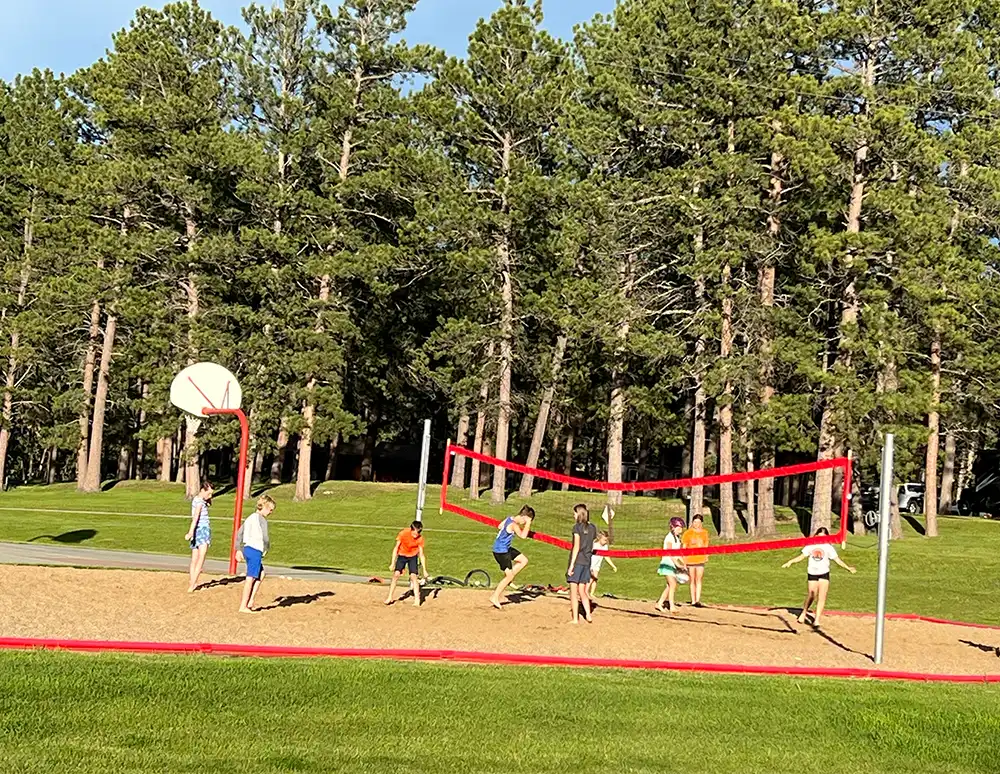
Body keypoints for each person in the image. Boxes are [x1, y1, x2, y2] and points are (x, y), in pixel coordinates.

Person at [781, 527, 856, 627]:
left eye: (823, 537)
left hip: (824, 573)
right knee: (812, 594)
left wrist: (848, 568)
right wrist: (790, 562)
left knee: (822, 596)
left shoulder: (828, 547)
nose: (821, 539)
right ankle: (804, 612)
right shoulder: (811, 545)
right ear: (816, 536)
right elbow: (801, 556)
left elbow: (837, 560)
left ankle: (817, 620)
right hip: (812, 573)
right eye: (819, 536)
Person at [489, 505, 535, 610]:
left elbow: (500, 526)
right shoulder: (514, 525)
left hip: (505, 548)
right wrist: (528, 523)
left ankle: (509, 579)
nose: (524, 524)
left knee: (523, 560)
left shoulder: (509, 518)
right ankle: (494, 596)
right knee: (509, 576)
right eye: (526, 521)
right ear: (524, 517)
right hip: (501, 552)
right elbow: (523, 536)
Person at [235, 495, 275, 613]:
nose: (271, 512)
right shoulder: (261, 520)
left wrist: (238, 549)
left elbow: (239, 533)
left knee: (261, 574)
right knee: (250, 577)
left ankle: (250, 600)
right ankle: (243, 606)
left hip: (247, 548)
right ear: (265, 507)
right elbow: (265, 536)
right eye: (270, 510)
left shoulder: (249, 518)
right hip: (255, 549)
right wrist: (266, 547)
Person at [385, 520, 429, 607]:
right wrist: (392, 563)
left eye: (417, 534)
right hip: (402, 556)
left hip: (412, 557)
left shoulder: (420, 539)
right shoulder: (403, 534)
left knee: (413, 577)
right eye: (414, 533)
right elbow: (396, 548)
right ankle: (390, 597)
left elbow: (421, 554)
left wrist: (424, 570)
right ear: (411, 529)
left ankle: (417, 600)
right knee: (396, 575)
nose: (415, 536)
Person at [567, 504, 598, 624]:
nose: (573, 515)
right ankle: (588, 615)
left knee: (573, 593)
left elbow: (576, 547)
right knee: (583, 591)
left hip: (578, 561)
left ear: (579, 514)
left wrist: (571, 566)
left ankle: (575, 619)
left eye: (574, 513)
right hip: (587, 561)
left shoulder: (577, 528)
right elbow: (591, 541)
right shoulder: (593, 528)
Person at [184, 481, 214, 592]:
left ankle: (193, 581)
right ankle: (192, 585)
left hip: (197, 531)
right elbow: (195, 518)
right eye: (209, 493)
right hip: (202, 531)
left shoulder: (197, 500)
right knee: (200, 559)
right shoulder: (200, 503)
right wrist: (191, 532)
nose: (210, 496)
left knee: (194, 559)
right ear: (202, 490)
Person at [655, 517, 687, 613]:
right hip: (667, 563)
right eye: (678, 528)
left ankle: (659, 603)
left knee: (669, 586)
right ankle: (672, 606)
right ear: (673, 527)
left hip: (672, 564)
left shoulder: (677, 539)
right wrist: (677, 563)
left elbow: (678, 554)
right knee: (673, 584)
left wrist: (683, 563)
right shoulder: (669, 537)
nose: (680, 531)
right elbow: (670, 552)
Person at [681, 514, 710, 607]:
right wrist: (684, 560)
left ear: (701, 523)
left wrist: (706, 556)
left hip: (700, 559)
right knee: (692, 579)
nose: (696, 524)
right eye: (695, 522)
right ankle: (693, 600)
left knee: (699, 579)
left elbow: (706, 545)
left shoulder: (704, 533)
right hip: (690, 559)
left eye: (698, 522)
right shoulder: (688, 533)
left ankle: (698, 600)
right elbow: (684, 547)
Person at [587, 529, 618, 602]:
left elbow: (606, 556)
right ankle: (586, 592)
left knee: (595, 578)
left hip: (597, 564)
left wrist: (613, 566)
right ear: (599, 538)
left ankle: (591, 593)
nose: (605, 542)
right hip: (590, 563)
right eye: (604, 540)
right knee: (591, 578)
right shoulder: (594, 545)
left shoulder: (605, 546)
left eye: (606, 540)